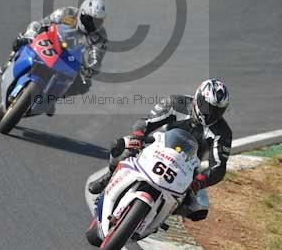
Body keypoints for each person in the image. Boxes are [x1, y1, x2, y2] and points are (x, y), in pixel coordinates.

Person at [88, 78, 231, 221]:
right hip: (157, 146)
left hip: (188, 167)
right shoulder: (176, 103)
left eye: (217, 111)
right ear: (198, 98)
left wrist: (199, 182)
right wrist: (137, 137)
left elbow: (218, 166)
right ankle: (110, 174)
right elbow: (146, 122)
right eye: (207, 107)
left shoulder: (223, 132)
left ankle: (160, 216)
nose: (210, 114)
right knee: (120, 145)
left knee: (200, 209)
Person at [0, 0, 107, 109]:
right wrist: (32, 33)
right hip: (52, 42)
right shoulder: (67, 13)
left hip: (72, 57)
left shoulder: (100, 37)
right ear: (81, 13)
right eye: (89, 20)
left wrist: (90, 69)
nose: (92, 25)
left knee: (84, 85)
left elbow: (96, 58)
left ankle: (53, 97)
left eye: (97, 22)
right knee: (23, 37)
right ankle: (10, 60)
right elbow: (42, 23)